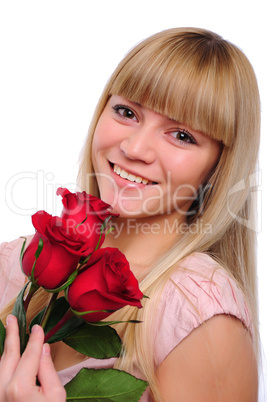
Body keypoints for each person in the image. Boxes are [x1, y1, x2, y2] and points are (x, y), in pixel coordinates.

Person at [0, 27, 260, 401]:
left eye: (182, 135)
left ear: (219, 166)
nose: (135, 148)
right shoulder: (14, 266)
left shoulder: (197, 313)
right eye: (127, 112)